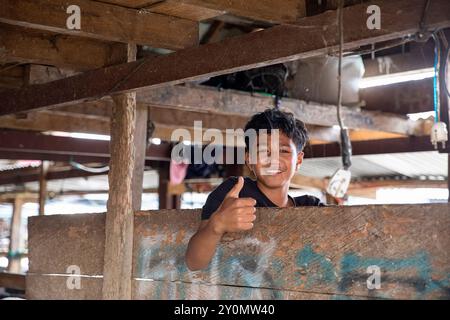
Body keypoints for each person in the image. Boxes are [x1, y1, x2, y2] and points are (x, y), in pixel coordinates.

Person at [185, 108, 323, 271]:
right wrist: (217, 224)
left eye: (284, 151)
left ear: (299, 160)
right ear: (249, 159)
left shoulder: (311, 207)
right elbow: (193, 263)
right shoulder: (235, 193)